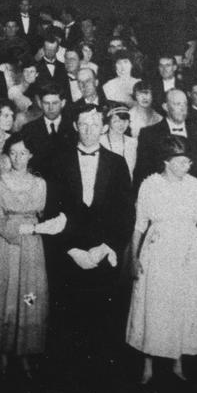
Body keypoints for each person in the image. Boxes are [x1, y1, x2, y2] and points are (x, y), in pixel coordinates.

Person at [42, 105, 134, 377]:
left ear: (105, 127)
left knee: (103, 322)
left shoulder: (117, 163)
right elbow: (50, 211)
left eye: (95, 125)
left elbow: (126, 212)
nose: (89, 130)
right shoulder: (57, 161)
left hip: (103, 254)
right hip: (67, 254)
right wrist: (71, 250)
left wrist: (106, 247)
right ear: (74, 127)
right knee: (67, 322)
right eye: (83, 124)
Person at [125, 135, 197, 383]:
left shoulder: (195, 185)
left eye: (188, 161)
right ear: (167, 162)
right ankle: (148, 365)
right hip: (159, 249)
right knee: (156, 304)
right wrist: (133, 257)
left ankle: (178, 361)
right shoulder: (150, 185)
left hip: (189, 251)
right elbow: (139, 225)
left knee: (185, 303)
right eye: (182, 162)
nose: (187, 166)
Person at [0, 133, 61, 377]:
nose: (18, 158)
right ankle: (2, 352)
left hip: (31, 249)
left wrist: (38, 227)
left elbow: (44, 214)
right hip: (5, 246)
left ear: (31, 155)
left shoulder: (40, 184)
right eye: (13, 153)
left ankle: (25, 352)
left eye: (23, 153)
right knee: (5, 294)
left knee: (29, 295)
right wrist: (27, 228)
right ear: (7, 155)